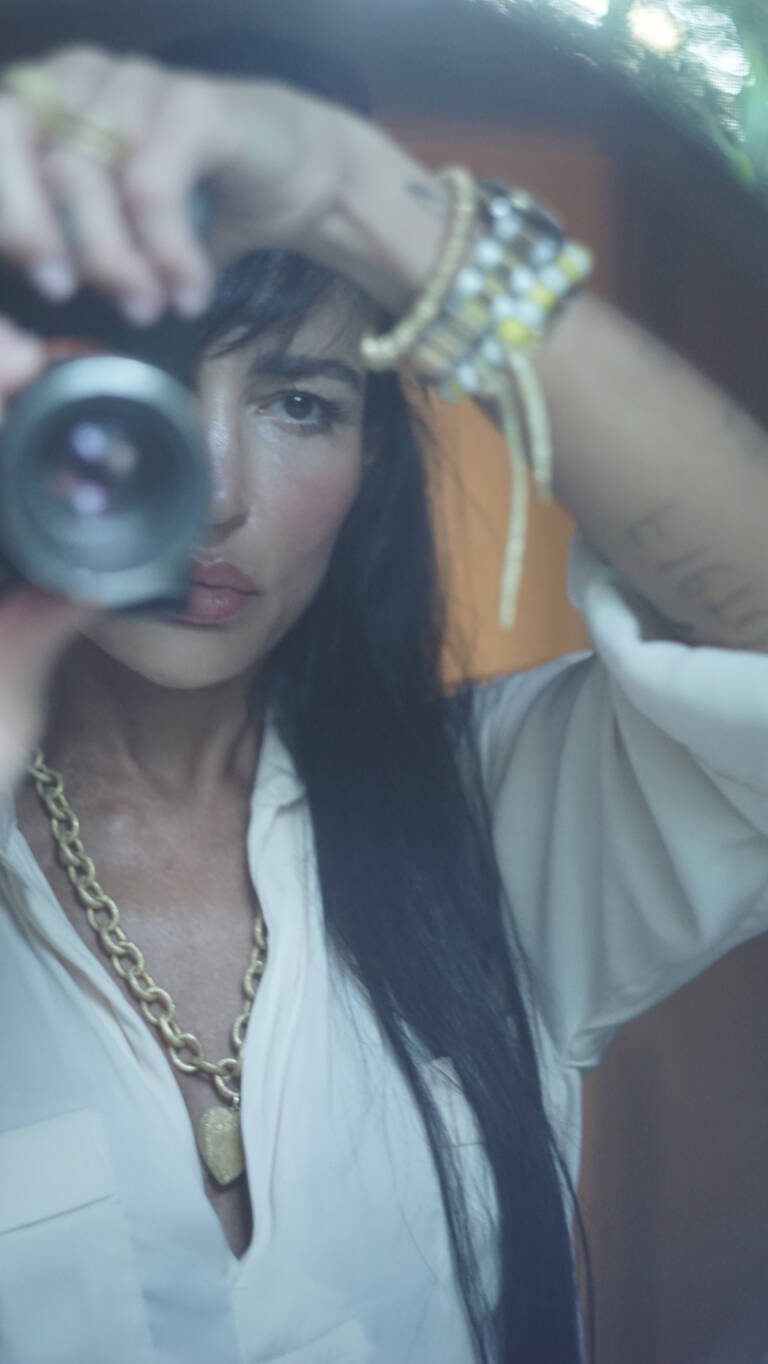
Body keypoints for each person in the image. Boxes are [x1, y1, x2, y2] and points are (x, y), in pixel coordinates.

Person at [0, 30, 766, 1364]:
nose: (215, 492)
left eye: (300, 402)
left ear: (372, 468)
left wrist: (364, 199)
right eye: (146, 395)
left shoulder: (493, 819)